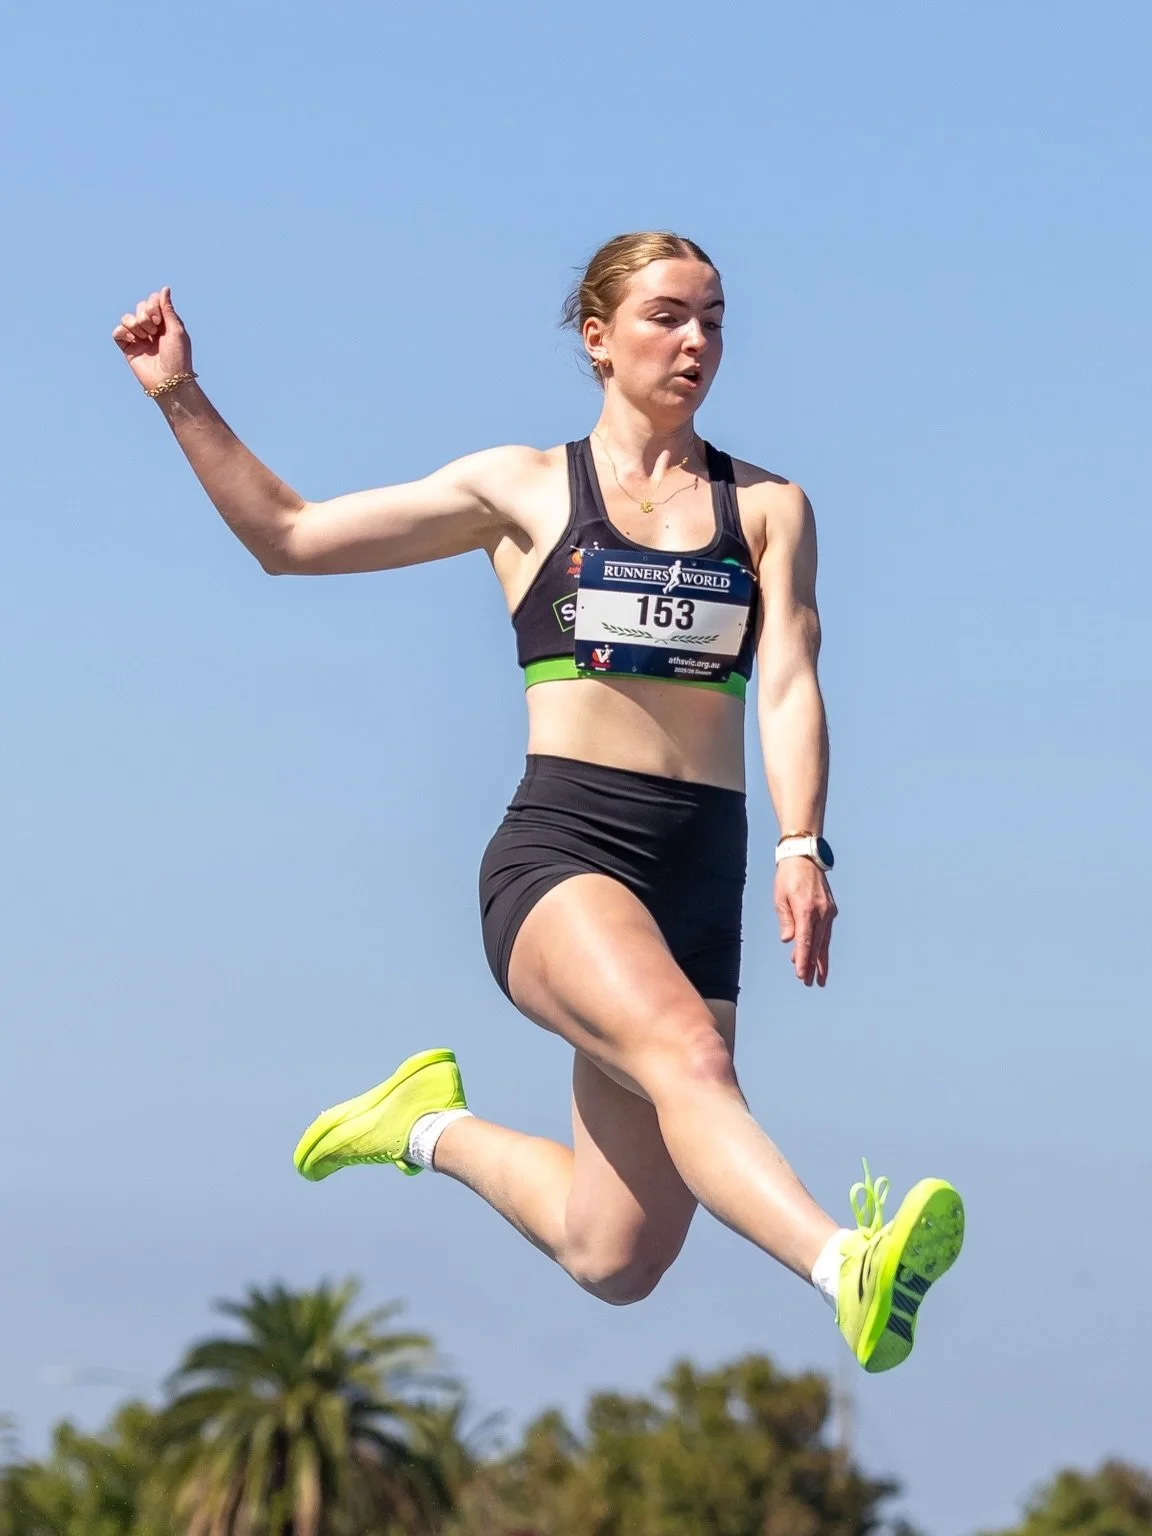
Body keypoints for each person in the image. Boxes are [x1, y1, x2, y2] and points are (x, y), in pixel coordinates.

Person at [113, 231, 963, 1373]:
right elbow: (290, 537)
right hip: (564, 857)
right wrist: (179, 393)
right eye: (668, 316)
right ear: (598, 339)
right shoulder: (518, 491)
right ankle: (843, 1263)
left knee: (616, 1255)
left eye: (714, 318)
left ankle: (423, 1124)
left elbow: (793, 682)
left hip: (700, 876)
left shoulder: (766, 508)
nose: (698, 340)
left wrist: (803, 844)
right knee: (691, 1066)